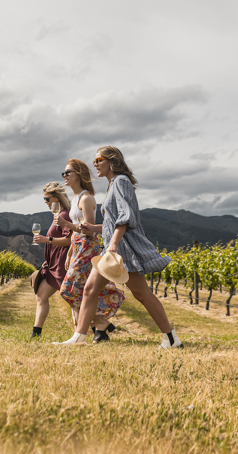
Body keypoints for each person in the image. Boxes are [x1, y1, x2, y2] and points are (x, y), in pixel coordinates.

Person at [56, 146, 182, 348]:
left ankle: (171, 337)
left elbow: (125, 218)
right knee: (89, 289)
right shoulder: (113, 184)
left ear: (112, 161)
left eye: (99, 160)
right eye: (95, 161)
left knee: (142, 294)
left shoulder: (121, 182)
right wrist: (94, 228)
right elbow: (111, 224)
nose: (95, 164)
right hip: (113, 248)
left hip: (124, 250)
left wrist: (113, 244)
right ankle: (79, 337)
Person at [56, 159, 125, 342]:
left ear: (78, 174)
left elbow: (89, 228)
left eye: (68, 172)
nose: (64, 176)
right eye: (63, 173)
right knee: (79, 290)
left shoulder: (86, 198)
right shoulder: (75, 199)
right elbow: (75, 231)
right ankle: (98, 326)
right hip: (78, 246)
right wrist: (70, 251)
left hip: (87, 246)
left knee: (68, 290)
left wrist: (66, 224)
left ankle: (93, 326)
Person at [31, 182, 73, 338]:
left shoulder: (64, 215)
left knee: (73, 298)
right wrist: (48, 259)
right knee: (41, 296)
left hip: (62, 265)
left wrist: (46, 239)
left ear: (56, 198)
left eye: (47, 199)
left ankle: (101, 326)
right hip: (53, 265)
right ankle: (36, 333)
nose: (45, 202)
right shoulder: (58, 215)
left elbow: (69, 240)